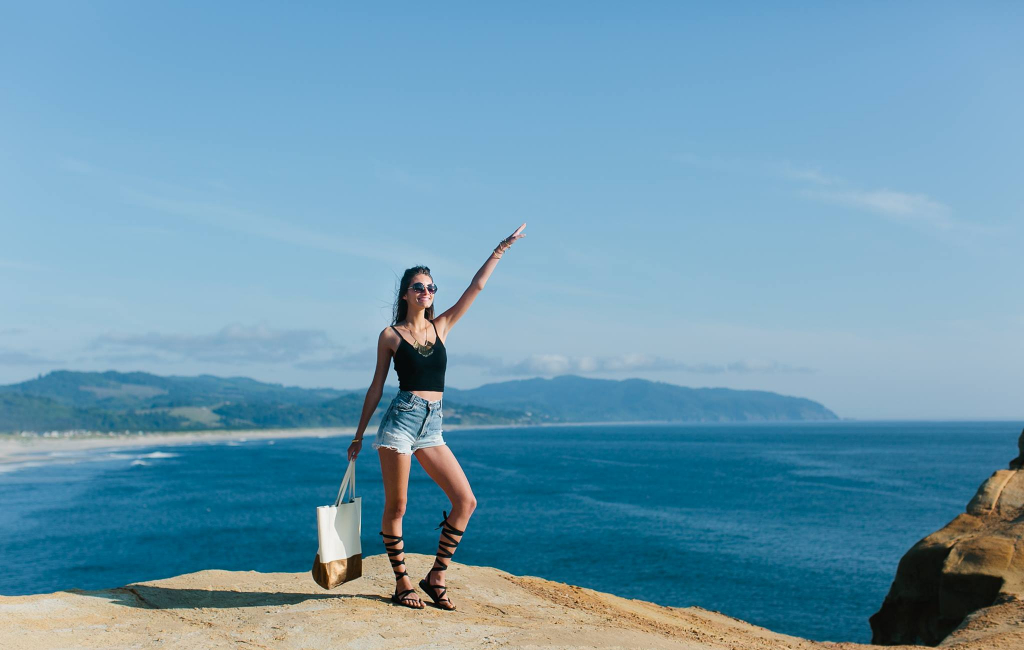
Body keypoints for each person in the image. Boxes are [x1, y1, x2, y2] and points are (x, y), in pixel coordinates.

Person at [346, 224, 526, 610]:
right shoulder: (390, 335)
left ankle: (436, 576)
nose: (426, 293)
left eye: (431, 288)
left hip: (433, 425)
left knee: (466, 501)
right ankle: (402, 582)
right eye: (419, 288)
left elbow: (474, 290)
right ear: (406, 294)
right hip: (401, 421)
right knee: (397, 507)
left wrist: (500, 249)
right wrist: (359, 434)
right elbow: (376, 386)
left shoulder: (441, 326)